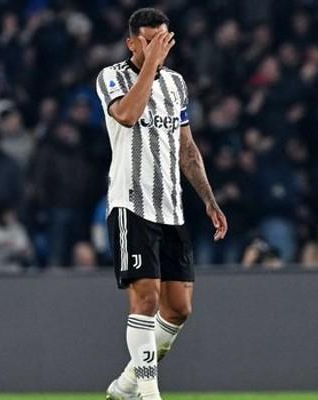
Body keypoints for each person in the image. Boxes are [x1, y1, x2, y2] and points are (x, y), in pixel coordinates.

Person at [95, 8, 228, 400]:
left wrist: (209, 199)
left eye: (163, 40)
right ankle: (150, 394)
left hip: (171, 207)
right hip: (131, 204)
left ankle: (125, 385)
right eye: (150, 41)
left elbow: (186, 147)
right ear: (131, 42)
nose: (158, 48)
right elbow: (127, 115)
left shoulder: (176, 84)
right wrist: (150, 65)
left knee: (179, 308)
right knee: (146, 298)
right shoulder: (111, 77)